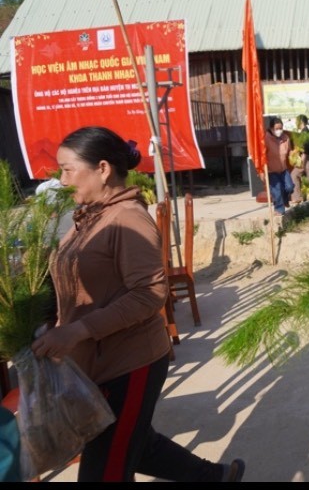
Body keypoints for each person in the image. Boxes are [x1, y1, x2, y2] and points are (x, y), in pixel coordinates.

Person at [29, 126, 245, 482]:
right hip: (93, 361)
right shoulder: (89, 216)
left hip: (129, 364)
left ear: (102, 169)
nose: (63, 180)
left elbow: (149, 294)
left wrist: (79, 329)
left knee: (106, 469)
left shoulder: (127, 218)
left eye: (68, 169)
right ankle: (216, 477)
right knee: (133, 445)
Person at [262, 116, 294, 216]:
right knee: (277, 190)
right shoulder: (266, 139)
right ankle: (279, 210)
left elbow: (289, 151)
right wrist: (262, 171)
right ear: (271, 129)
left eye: (281, 128)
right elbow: (262, 155)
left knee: (289, 187)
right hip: (272, 171)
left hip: (283, 169)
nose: (279, 131)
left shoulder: (285, 138)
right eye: (276, 129)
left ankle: (285, 200)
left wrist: (295, 156)